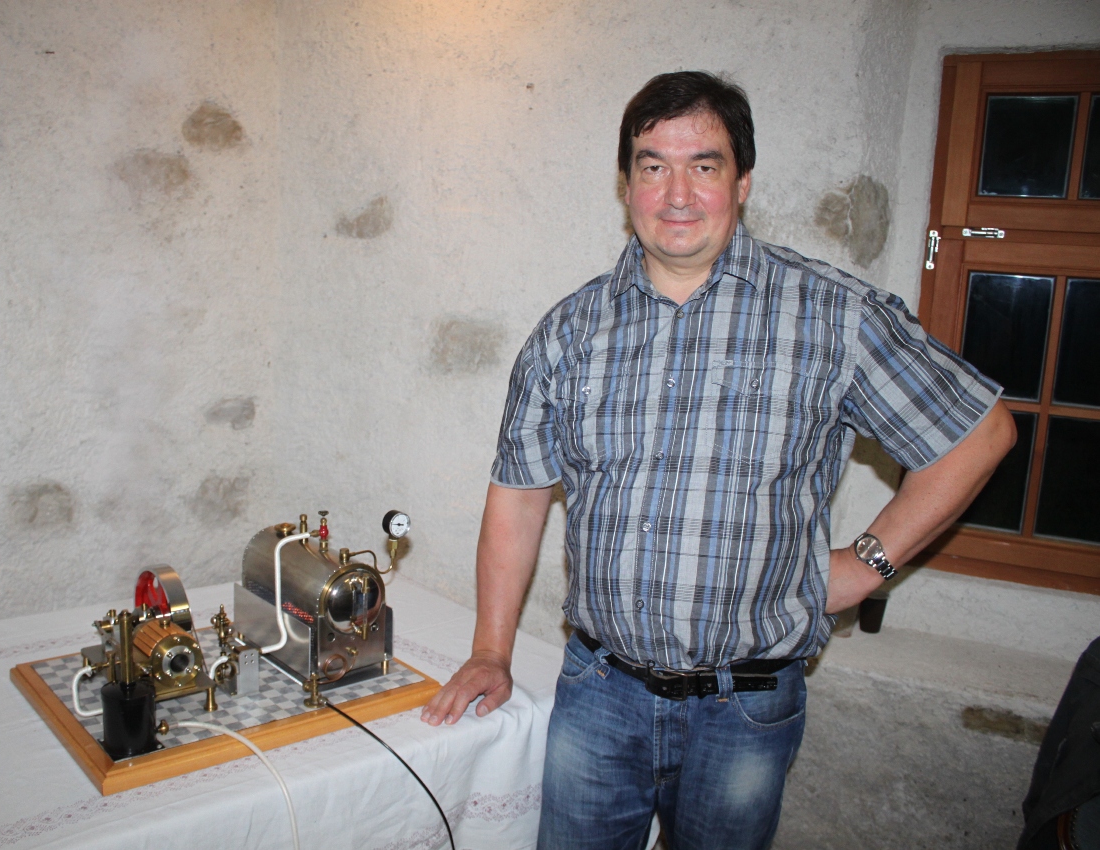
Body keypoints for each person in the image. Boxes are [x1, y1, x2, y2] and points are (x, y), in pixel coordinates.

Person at [420, 71, 1016, 850]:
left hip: (746, 708)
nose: (676, 194)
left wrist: (866, 563)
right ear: (626, 185)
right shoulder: (568, 332)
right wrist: (490, 650)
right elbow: (519, 495)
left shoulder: (831, 315)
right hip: (598, 693)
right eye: (652, 166)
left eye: (702, 165)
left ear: (741, 183)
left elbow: (978, 433)